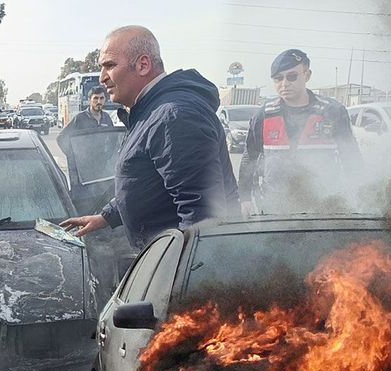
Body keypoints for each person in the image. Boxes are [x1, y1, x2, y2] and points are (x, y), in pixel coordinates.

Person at [60, 25, 240, 249]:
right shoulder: (151, 112)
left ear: (143, 65)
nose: (102, 77)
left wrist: (177, 278)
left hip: (180, 268)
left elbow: (202, 217)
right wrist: (105, 217)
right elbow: (148, 185)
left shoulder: (174, 117)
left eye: (110, 65)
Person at [237, 49, 362, 215]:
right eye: (278, 78)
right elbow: (250, 157)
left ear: (307, 75)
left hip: (324, 204)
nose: (284, 84)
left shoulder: (333, 111)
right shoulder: (264, 115)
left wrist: (360, 193)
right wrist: (244, 198)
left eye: (292, 76)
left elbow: (350, 155)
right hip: (275, 206)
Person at [56, 85, 113, 154]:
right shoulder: (80, 118)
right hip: (84, 162)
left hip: (102, 162)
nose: (99, 101)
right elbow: (61, 138)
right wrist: (72, 156)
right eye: (95, 98)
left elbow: (113, 139)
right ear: (89, 100)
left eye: (101, 98)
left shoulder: (107, 118)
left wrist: (110, 154)